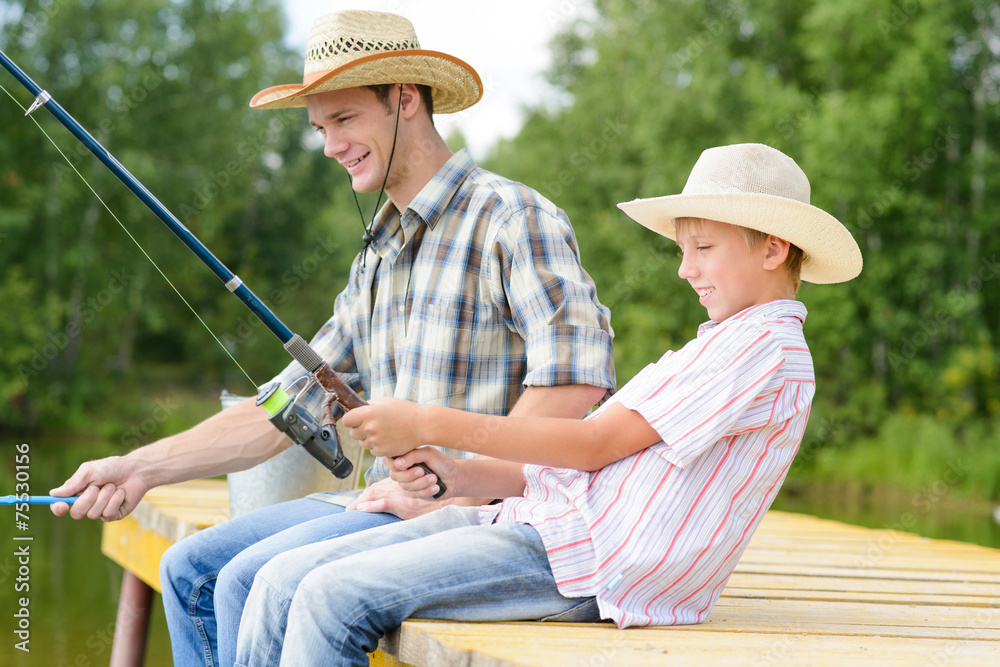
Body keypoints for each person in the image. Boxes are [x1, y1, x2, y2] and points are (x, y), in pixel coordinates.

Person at [49, 9, 615, 667]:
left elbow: (576, 379)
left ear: (405, 99)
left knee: (241, 580)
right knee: (187, 568)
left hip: (483, 518)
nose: (328, 145)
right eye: (320, 126)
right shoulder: (377, 255)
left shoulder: (512, 217)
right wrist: (139, 467)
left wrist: (462, 478)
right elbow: (283, 411)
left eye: (344, 120)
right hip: (380, 502)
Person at [230, 142, 863, 666]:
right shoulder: (726, 343)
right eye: (683, 250)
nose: (684, 270)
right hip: (547, 528)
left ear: (774, 248)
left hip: (590, 564)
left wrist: (425, 422)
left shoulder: (765, 348)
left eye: (703, 248)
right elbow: (598, 464)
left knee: (328, 595)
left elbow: (594, 444)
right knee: (277, 579)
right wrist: (464, 477)